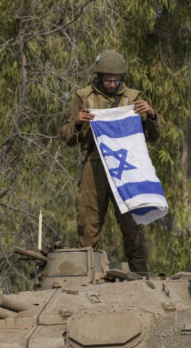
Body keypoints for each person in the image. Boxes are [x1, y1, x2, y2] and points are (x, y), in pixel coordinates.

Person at [61, 49, 160, 274]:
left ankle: (142, 276)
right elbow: (66, 137)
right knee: (88, 225)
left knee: (132, 226)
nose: (112, 84)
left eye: (116, 80)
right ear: (99, 76)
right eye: (108, 79)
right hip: (93, 166)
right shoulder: (83, 97)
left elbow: (154, 136)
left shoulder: (134, 99)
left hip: (126, 167)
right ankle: (89, 278)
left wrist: (151, 115)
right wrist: (77, 123)